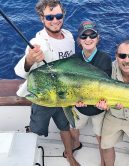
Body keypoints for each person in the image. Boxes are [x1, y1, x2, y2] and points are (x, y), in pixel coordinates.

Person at [14, 0, 79, 165]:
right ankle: (30, 138)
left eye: (58, 15)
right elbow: (20, 71)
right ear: (42, 19)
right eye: (49, 17)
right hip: (44, 99)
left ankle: (69, 155)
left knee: (65, 126)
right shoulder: (38, 43)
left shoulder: (69, 36)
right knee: (37, 129)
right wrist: (30, 59)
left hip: (64, 95)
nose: (55, 20)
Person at [70, 21, 112, 166]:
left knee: (100, 136)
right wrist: (74, 100)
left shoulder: (105, 58)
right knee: (74, 128)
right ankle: (75, 143)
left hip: (98, 109)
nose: (88, 39)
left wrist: (102, 104)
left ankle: (102, 162)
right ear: (79, 40)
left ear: (98, 38)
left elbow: (105, 87)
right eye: (84, 36)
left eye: (92, 35)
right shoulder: (74, 59)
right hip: (79, 107)